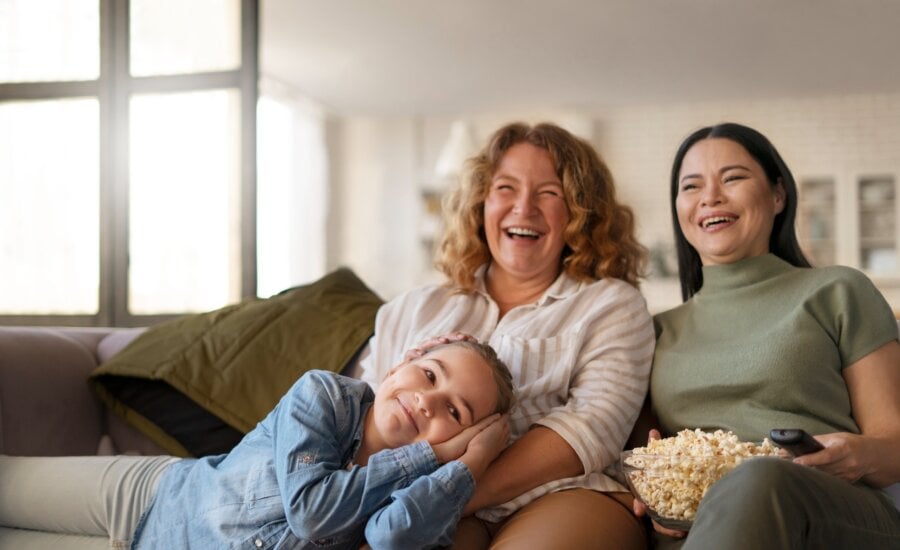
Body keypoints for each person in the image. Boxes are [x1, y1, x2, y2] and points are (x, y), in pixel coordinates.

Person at [358, 122, 656, 549]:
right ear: (481, 202)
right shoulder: (414, 307)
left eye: (549, 193)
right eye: (506, 188)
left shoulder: (611, 305)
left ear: (580, 212)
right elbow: (362, 419)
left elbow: (592, 427)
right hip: (414, 505)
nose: (524, 208)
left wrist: (441, 501)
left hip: (564, 495)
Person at [637, 122, 900, 548]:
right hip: (698, 526)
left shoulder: (837, 291)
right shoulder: (657, 330)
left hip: (830, 510)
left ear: (778, 195)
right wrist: (651, 491)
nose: (710, 197)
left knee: (759, 479)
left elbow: (894, 447)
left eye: (733, 178)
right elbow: (641, 455)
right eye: (692, 186)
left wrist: (852, 455)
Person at [0, 340, 515, 549]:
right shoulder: (326, 396)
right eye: (429, 374)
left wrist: (468, 467)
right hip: (149, 497)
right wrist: (437, 450)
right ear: (405, 359)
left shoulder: (431, 497)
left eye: (455, 412)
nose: (427, 401)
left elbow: (389, 538)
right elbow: (311, 512)